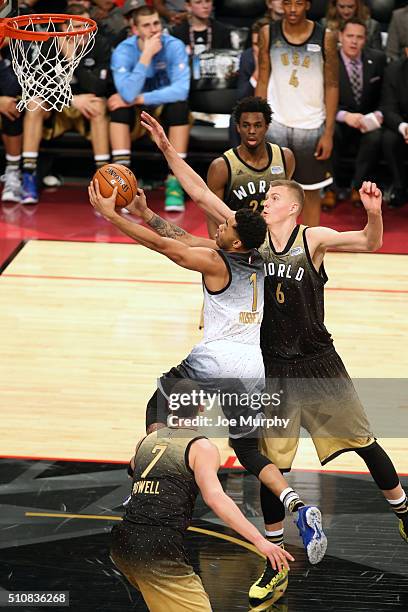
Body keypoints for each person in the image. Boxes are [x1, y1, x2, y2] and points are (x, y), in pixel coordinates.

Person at [138, 110, 408, 609]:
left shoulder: (315, 240)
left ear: (294, 210)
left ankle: (404, 511)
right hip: (271, 368)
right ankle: (275, 560)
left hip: (318, 361)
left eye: (274, 198)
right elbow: (199, 193)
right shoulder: (250, 244)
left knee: (365, 444)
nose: (265, 201)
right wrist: (166, 148)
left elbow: (372, 242)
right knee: (270, 467)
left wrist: (373, 211)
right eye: (264, 198)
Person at [89, 175, 328, 606]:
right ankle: (297, 504)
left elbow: (169, 247)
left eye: (226, 227)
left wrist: (111, 216)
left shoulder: (220, 263)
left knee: (159, 398)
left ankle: (151, 474)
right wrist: (144, 212)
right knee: (251, 451)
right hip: (251, 366)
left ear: (235, 242)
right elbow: (180, 235)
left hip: (216, 360)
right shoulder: (255, 257)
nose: (219, 227)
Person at [110, 383, 294, 612]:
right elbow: (216, 497)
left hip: (122, 543)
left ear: (169, 406)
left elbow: (133, 469)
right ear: (201, 407)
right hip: (158, 549)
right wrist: (260, 542)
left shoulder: (144, 442)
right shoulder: (201, 447)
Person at [256, 0, 339, 227]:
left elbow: (332, 85)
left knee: (311, 193)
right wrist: (258, 122)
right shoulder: (268, 32)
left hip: (311, 126)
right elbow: (263, 78)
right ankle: (272, 250)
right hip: (276, 124)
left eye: (298, 3)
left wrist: (328, 133)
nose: (292, 9)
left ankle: (309, 250)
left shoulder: (326, 37)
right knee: (273, 194)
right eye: (288, 3)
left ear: (308, 5)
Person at [21, 3, 112, 205]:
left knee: (98, 106)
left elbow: (98, 87)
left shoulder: (100, 45)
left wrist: (73, 59)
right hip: (59, 107)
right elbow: (38, 86)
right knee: (34, 104)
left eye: (87, 26)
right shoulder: (50, 45)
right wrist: (71, 99)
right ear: (64, 28)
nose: (84, 32)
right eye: (78, 27)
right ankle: (28, 175)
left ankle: (103, 179)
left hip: (88, 107)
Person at [108, 3, 190, 212]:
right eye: (147, 25)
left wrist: (140, 98)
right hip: (137, 114)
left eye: (156, 23)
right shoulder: (124, 51)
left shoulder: (174, 46)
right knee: (119, 108)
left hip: (162, 109)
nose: (154, 29)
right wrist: (145, 57)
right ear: (135, 30)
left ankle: (175, 183)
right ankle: (123, 183)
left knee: (179, 106)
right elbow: (126, 94)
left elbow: (181, 90)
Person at [209, 96, 295, 240]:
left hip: (273, 240)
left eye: (258, 125)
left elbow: (286, 206)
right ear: (237, 127)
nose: (252, 131)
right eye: (246, 125)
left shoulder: (285, 158)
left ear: (267, 127)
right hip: (237, 243)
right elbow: (212, 215)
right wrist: (219, 250)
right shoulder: (221, 167)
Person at [322, 18, 386, 209]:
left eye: (359, 37)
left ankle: (358, 188)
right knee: (329, 133)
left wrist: (377, 115)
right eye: (350, 36)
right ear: (340, 36)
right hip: (338, 119)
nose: (354, 41)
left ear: (365, 39)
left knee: (376, 137)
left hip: (367, 121)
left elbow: (386, 94)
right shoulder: (329, 61)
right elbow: (319, 100)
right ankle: (331, 189)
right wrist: (344, 116)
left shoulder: (378, 59)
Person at [381, 49, 408, 209]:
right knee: (388, 139)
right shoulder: (394, 70)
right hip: (402, 123)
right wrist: (403, 127)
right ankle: (400, 187)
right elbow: (388, 107)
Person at [0, 45, 23, 204]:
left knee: (11, 108)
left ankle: (13, 170)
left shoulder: (17, 49)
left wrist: (1, 63)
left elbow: (11, 88)